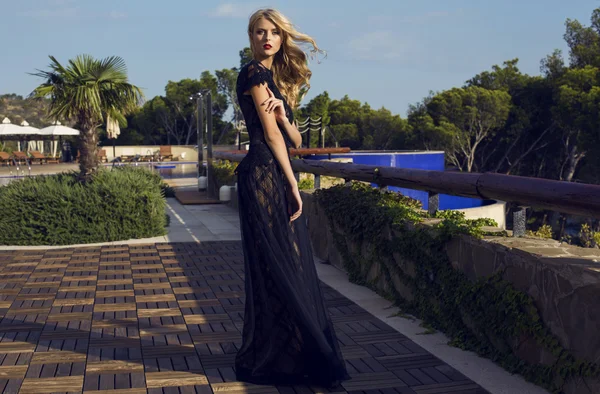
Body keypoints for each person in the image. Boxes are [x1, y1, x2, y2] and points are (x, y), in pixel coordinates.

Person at [233, 8, 350, 388]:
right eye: (259, 32)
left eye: (273, 33)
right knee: (280, 262)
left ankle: (290, 349)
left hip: (272, 172)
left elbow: (294, 139)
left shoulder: (272, 81)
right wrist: (292, 183)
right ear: (251, 38)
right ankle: (290, 352)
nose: (266, 38)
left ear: (282, 39)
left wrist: (284, 114)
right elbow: (268, 139)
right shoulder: (253, 73)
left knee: (286, 260)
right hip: (264, 175)